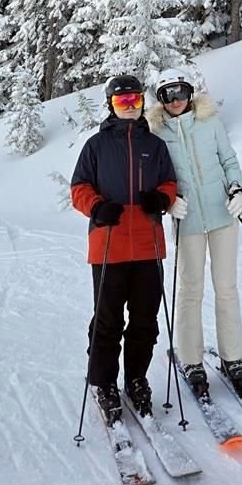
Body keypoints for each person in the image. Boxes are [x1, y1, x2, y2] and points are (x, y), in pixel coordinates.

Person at [71, 74, 177, 424]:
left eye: (134, 101)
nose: (130, 107)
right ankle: (103, 383)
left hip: (148, 246)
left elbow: (169, 182)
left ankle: (136, 379)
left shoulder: (156, 146)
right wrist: (97, 207)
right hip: (109, 247)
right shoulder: (96, 146)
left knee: (145, 322)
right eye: (122, 102)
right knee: (107, 321)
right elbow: (79, 188)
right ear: (111, 106)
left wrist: (162, 197)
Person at [147, 68, 242, 398]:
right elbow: (155, 178)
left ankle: (233, 358)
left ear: (190, 93)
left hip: (223, 214)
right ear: (160, 100)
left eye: (179, 92)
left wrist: (238, 190)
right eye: (167, 95)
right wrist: (169, 202)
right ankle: (191, 360)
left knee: (226, 288)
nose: (175, 101)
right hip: (187, 219)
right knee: (190, 290)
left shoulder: (210, 122)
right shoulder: (157, 133)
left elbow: (229, 160)